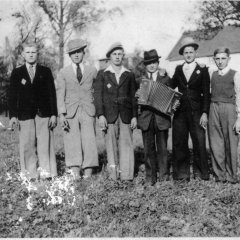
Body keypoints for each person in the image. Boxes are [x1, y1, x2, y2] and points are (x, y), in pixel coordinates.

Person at [8, 42, 58, 180]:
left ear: (38, 54)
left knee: (44, 145)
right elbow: (12, 96)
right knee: (27, 145)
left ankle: (47, 174)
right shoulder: (17, 72)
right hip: (25, 115)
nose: (31, 54)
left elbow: (52, 94)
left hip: (44, 113)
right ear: (23, 54)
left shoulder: (45, 71)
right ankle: (30, 175)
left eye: (33, 52)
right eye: (28, 52)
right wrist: (12, 116)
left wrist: (54, 114)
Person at [93, 42, 137, 181]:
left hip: (126, 115)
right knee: (111, 146)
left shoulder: (129, 74)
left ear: (123, 56)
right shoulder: (103, 74)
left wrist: (134, 116)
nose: (117, 57)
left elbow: (134, 97)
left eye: (120, 54)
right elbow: (98, 97)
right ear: (109, 57)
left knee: (126, 144)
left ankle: (126, 176)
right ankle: (113, 175)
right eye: (114, 54)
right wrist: (100, 115)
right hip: (109, 116)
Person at [56, 39, 98, 179]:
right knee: (72, 140)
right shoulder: (63, 72)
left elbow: (96, 91)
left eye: (78, 52)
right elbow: (60, 93)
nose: (76, 55)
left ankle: (88, 170)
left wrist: (97, 110)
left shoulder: (92, 70)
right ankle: (75, 170)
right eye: (73, 52)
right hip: (70, 111)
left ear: (83, 53)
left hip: (88, 109)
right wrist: (61, 114)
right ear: (69, 55)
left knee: (89, 139)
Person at [171, 37, 210, 181]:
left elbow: (206, 93)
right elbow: (171, 85)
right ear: (182, 54)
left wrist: (205, 112)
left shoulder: (202, 69)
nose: (188, 55)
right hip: (181, 112)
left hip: (197, 112)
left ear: (195, 53)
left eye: (191, 52)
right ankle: (182, 174)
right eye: (185, 52)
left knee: (199, 142)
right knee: (179, 142)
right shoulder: (179, 69)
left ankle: (201, 174)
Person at [136, 49, 173, 185]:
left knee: (162, 149)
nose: (152, 65)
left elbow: (173, 98)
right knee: (148, 149)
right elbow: (134, 98)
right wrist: (137, 96)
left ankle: (164, 177)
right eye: (149, 63)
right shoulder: (139, 80)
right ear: (145, 65)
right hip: (146, 119)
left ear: (158, 63)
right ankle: (150, 177)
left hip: (161, 118)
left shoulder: (166, 78)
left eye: (154, 62)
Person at [208, 47, 240, 183]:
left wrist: (239, 118)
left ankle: (232, 176)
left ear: (229, 59)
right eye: (217, 59)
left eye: (223, 58)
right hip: (214, 107)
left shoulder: (235, 74)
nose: (220, 62)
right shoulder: (212, 74)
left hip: (230, 109)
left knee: (231, 142)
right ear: (214, 60)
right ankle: (219, 175)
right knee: (216, 142)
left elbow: (239, 95)